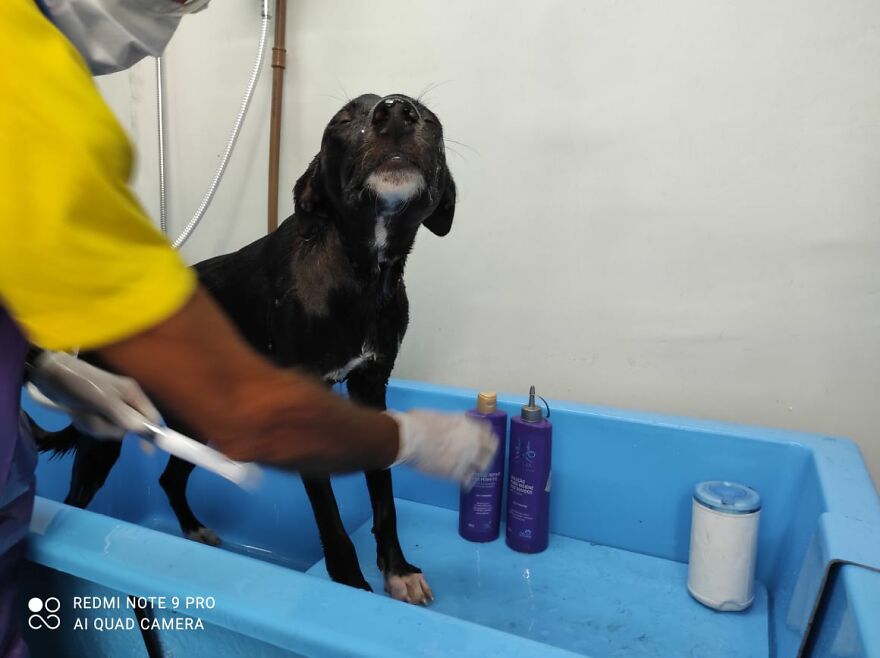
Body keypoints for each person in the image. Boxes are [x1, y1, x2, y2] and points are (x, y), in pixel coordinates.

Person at [0, 1, 497, 655]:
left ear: (439, 194)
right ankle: (69, 582)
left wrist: (35, 361)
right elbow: (253, 417)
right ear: (316, 188)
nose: (183, 11)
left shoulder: (23, 52)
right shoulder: (29, 88)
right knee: (50, 571)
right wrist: (411, 436)